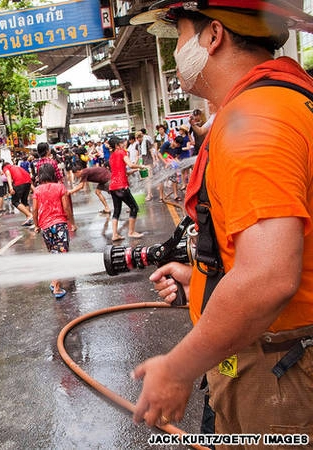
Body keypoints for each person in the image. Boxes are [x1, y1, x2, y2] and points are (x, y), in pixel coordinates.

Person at [130, 1, 313, 442]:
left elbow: (268, 277)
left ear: (213, 36)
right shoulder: (287, 99)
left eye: (178, 38)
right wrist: (204, 281)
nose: (174, 55)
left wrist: (176, 368)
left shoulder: (255, 120)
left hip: (279, 370)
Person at [32, 164, 74, 299]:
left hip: (45, 227)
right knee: (61, 255)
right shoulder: (60, 187)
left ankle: (53, 281)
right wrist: (71, 221)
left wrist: (36, 225)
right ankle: (56, 287)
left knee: (53, 253)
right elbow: (66, 206)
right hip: (60, 224)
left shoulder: (37, 190)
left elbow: (34, 210)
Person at [107, 136, 146, 241]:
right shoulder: (122, 152)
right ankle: (131, 232)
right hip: (121, 186)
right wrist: (141, 166)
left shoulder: (111, 157)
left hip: (113, 187)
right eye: (120, 143)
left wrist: (135, 170)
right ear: (116, 145)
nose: (123, 144)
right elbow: (130, 164)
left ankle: (115, 235)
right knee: (134, 208)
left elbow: (122, 171)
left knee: (116, 211)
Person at [2, 161, 34, 226]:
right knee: (24, 201)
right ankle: (29, 219)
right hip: (28, 182)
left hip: (19, 182)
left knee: (15, 201)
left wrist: (10, 187)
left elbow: (8, 175)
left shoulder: (5, 167)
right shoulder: (16, 166)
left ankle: (30, 215)